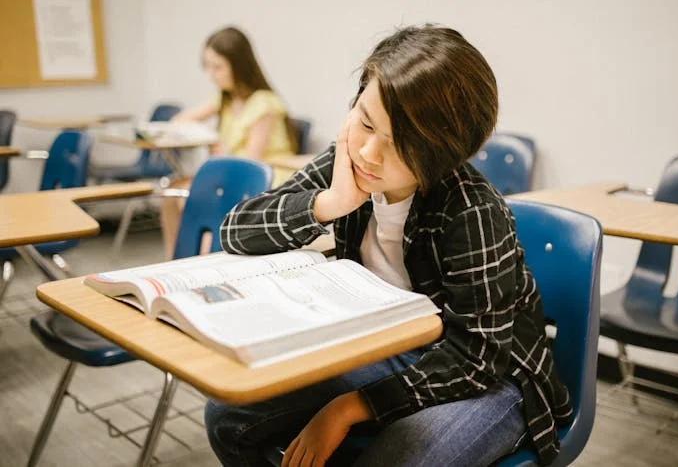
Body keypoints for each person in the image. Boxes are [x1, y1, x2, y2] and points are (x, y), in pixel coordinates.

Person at [206, 25, 572, 467]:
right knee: (228, 415)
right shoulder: (349, 159)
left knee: (397, 459)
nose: (368, 153)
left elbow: (474, 360)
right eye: (364, 121)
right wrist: (330, 203)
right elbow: (237, 229)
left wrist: (349, 408)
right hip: (387, 351)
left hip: (493, 380)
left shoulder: (472, 210)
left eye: (400, 144)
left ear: (444, 153)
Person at [160, 26, 297, 259]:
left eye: (218, 67)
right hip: (231, 170)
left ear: (238, 65)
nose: (211, 74)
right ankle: (176, 260)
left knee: (194, 200)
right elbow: (178, 122)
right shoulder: (225, 98)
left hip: (266, 175)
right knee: (171, 193)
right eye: (207, 66)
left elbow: (252, 160)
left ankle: (202, 261)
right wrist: (208, 136)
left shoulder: (264, 103)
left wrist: (223, 151)